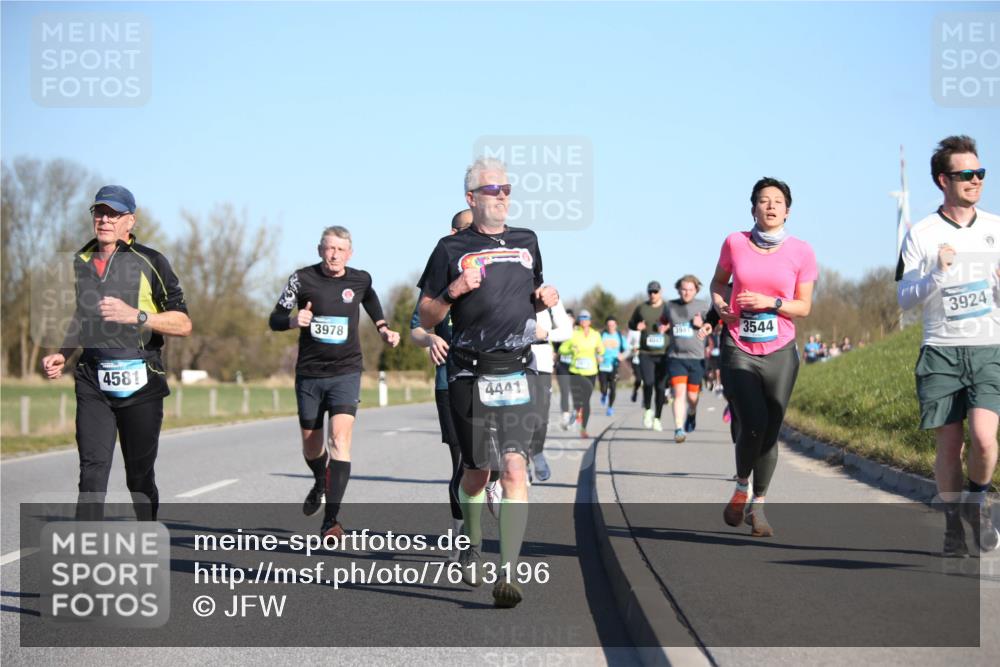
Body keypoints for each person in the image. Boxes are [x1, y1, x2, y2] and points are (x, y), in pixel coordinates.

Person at [417, 156, 559, 608]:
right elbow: (427, 315)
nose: (501, 196)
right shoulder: (448, 249)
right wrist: (455, 290)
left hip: (518, 367)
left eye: (506, 189)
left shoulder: (528, 241)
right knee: (477, 473)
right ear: (471, 198)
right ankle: (472, 542)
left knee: (515, 469)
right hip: (468, 370)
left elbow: (529, 298)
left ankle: (509, 572)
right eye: (491, 190)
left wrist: (544, 298)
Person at [42, 185, 192, 522]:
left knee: (138, 477)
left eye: (113, 213)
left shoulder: (152, 261)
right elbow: (83, 317)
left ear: (130, 221)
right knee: (92, 473)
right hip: (93, 378)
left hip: (140, 380)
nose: (104, 219)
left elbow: (183, 324)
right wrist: (63, 354)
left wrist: (136, 315)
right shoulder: (83, 260)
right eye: (99, 212)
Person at [896, 134, 999, 557]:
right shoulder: (921, 234)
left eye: (980, 173)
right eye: (966, 175)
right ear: (943, 180)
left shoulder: (996, 227)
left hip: (988, 347)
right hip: (940, 349)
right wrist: (937, 273)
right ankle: (954, 524)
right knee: (950, 442)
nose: (975, 181)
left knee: (985, 438)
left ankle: (978, 500)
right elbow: (903, 297)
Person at [269, 226, 400, 538]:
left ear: (350, 253)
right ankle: (320, 480)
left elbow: (370, 299)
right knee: (312, 447)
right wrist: (292, 321)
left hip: (346, 371)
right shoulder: (301, 279)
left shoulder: (360, 279)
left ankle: (331, 520)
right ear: (319, 250)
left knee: (339, 441)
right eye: (329, 249)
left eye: (340, 250)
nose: (334, 255)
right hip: (310, 375)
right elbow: (274, 319)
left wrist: (383, 328)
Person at [710, 177, 817, 537]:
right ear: (753, 207)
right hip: (738, 344)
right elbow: (718, 283)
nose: (770, 206)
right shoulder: (734, 243)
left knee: (770, 431)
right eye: (763, 200)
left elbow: (803, 306)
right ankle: (742, 486)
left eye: (777, 201)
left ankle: (759, 506)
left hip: (781, 349)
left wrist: (770, 303)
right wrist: (721, 305)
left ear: (788, 210)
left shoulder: (802, 251)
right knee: (753, 421)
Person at [409, 209, 473, 556]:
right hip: (450, 383)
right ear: (453, 234)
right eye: (468, 230)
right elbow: (416, 327)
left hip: (489, 385)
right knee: (461, 462)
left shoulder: (492, 272)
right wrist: (430, 339)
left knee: (490, 465)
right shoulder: (438, 279)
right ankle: (462, 536)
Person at [528, 297, 574, 481]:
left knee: (540, 416)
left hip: (541, 362)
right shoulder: (508, 288)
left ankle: (537, 453)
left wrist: (545, 334)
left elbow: (566, 331)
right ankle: (521, 462)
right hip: (512, 360)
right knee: (519, 415)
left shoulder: (549, 295)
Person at [663, 274, 710, 443]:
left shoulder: (703, 306)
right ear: (678, 289)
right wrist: (661, 327)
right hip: (676, 357)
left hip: (697, 358)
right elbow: (662, 323)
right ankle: (678, 429)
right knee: (679, 394)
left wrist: (702, 324)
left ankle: (691, 413)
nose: (686, 292)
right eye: (683, 289)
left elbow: (713, 327)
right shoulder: (670, 306)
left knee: (692, 397)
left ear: (696, 290)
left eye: (690, 289)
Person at [628, 281, 669, 431]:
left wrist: (668, 326)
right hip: (646, 353)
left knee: (660, 387)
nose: (653, 294)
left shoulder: (667, 308)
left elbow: (676, 323)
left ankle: (657, 418)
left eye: (655, 292)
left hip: (664, 354)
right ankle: (647, 410)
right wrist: (636, 326)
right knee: (649, 382)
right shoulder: (641, 308)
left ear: (661, 292)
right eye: (650, 292)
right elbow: (631, 323)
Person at [560, 310, 604, 438]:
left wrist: (600, 353)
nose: (584, 320)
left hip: (591, 372)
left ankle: (583, 428)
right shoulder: (573, 334)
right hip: (575, 371)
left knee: (586, 401)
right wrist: (570, 349)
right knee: (577, 401)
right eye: (582, 318)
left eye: (587, 318)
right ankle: (575, 411)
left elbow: (601, 349)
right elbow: (562, 349)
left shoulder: (595, 335)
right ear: (579, 320)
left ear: (590, 321)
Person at [598, 316, 627, 416]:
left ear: (616, 326)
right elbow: (594, 348)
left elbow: (628, 349)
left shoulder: (619, 336)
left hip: (614, 365)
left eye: (613, 325)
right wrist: (597, 356)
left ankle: (610, 407)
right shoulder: (601, 335)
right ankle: (603, 394)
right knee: (603, 386)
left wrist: (623, 355)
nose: (611, 327)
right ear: (606, 326)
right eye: (609, 325)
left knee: (613, 387)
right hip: (602, 365)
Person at [555, 309, 576, 429]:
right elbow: (553, 347)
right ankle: (565, 416)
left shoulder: (579, 332)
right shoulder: (559, 332)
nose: (568, 320)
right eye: (566, 317)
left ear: (574, 319)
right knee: (564, 390)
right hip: (562, 365)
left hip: (576, 367)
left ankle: (575, 414)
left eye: (570, 317)